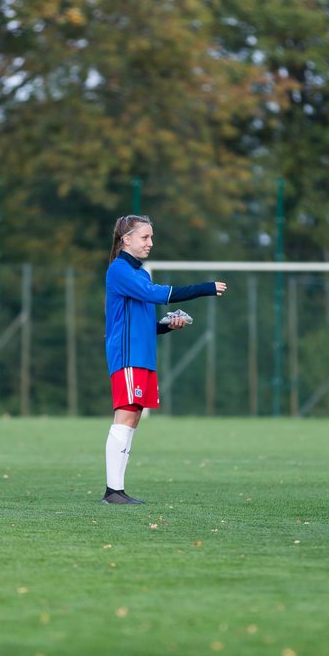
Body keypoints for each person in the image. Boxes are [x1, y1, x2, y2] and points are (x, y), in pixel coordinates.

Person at [102, 215, 226, 504]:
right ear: (126, 239)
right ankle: (112, 491)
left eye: (151, 238)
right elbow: (155, 295)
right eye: (145, 237)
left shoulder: (140, 273)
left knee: (132, 418)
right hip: (127, 355)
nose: (150, 243)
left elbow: (143, 320)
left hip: (143, 354)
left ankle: (116, 490)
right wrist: (203, 288)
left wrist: (167, 325)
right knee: (125, 415)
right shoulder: (118, 270)